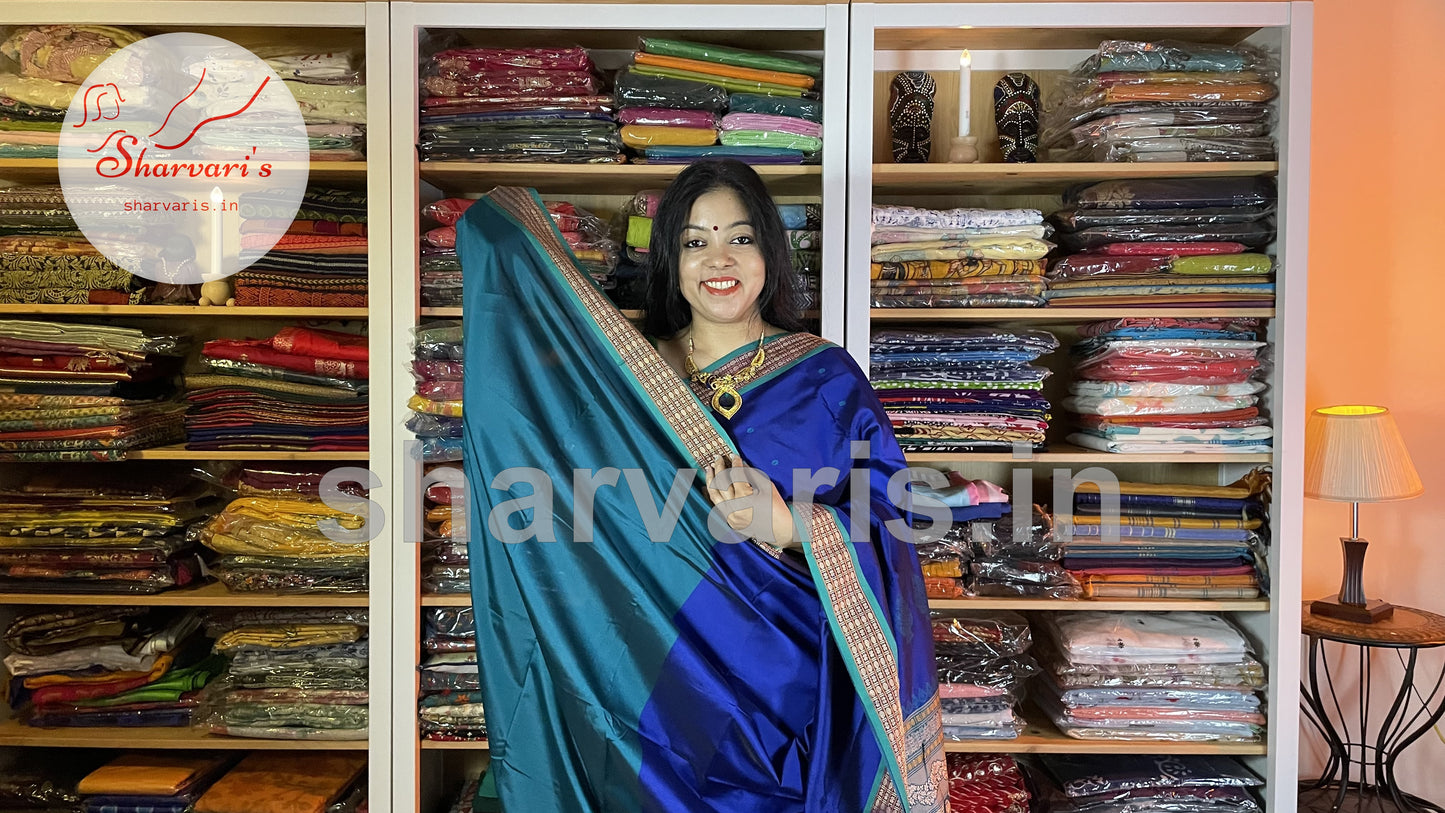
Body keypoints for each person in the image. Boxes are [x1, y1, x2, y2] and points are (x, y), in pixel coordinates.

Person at [455, 161, 948, 813]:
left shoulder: (824, 378)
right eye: (694, 241)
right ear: (670, 259)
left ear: (768, 251)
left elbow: (890, 515)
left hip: (790, 691)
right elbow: (546, 461)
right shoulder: (625, 380)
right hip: (650, 679)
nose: (719, 259)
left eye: (739, 238)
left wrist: (787, 524)